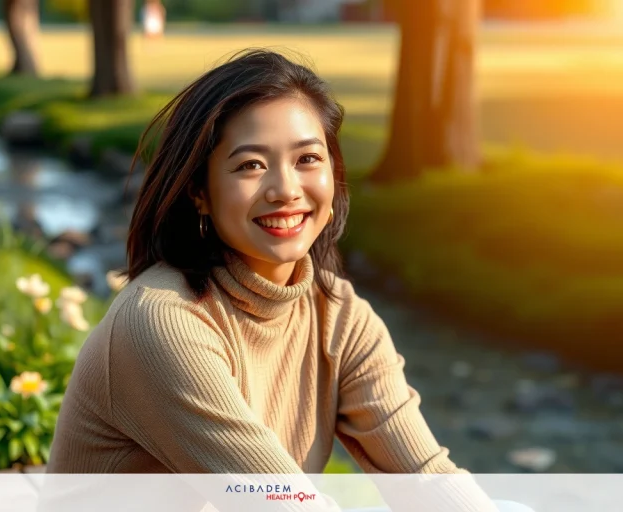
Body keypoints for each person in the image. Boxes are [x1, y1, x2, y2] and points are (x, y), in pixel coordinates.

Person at [46, 49, 501, 511]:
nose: (285, 190)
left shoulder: (340, 316)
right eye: (250, 165)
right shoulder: (163, 322)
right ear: (199, 193)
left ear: (333, 173)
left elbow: (426, 479)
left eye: (307, 158)